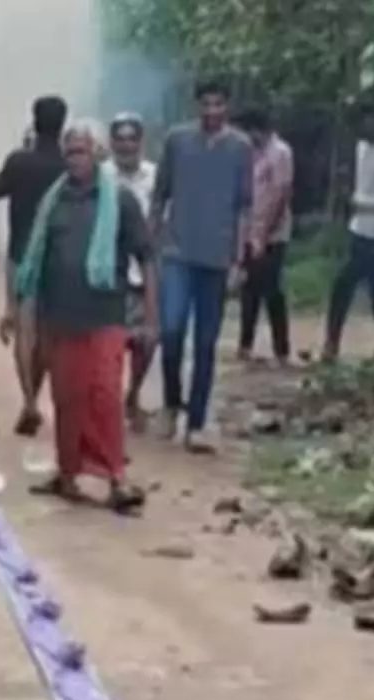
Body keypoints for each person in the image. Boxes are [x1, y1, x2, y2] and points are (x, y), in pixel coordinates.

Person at [13, 119, 156, 515]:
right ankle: (67, 473)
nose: (74, 159)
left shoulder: (120, 201)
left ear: (97, 154)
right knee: (67, 398)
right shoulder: (53, 202)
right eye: (69, 152)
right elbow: (37, 261)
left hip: (105, 315)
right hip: (59, 317)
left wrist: (151, 318)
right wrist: (26, 313)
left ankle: (117, 478)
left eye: (81, 151)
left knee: (105, 395)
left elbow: (147, 258)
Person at [148, 79, 252, 453]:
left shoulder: (240, 147)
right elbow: (160, 195)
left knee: (206, 343)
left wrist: (239, 259)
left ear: (227, 107)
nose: (212, 111)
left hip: (217, 257)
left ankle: (196, 422)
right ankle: (170, 403)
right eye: (206, 104)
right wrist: (150, 244)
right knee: (171, 330)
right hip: (177, 251)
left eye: (218, 104)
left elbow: (244, 208)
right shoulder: (177, 140)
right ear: (197, 107)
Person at [0, 95, 68, 437]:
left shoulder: (20, 161)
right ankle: (34, 395)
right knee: (47, 333)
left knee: (24, 330)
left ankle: (29, 401)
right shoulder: (69, 166)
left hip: (21, 254)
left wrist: (22, 150)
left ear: (34, 122)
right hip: (56, 257)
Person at [322, 100, 374, 361]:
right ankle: (339, 343)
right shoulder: (361, 148)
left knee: (363, 289)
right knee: (371, 290)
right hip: (359, 228)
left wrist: (358, 202)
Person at [108, 112, 159, 431]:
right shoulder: (101, 177)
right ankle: (111, 405)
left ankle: (133, 394)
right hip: (111, 274)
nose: (126, 145)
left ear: (141, 142)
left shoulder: (155, 177)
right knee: (110, 343)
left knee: (147, 341)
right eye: (120, 139)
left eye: (131, 139)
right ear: (112, 143)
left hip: (144, 272)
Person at [235, 107, 293, 365]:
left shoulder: (280, 153)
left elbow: (280, 195)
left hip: (273, 233)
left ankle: (281, 348)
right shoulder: (250, 153)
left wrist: (264, 233)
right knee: (249, 290)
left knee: (271, 289)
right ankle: (245, 345)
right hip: (250, 230)